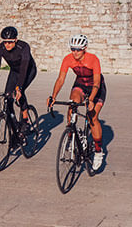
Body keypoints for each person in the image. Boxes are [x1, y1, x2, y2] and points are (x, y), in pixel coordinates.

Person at [47, 34, 107, 171]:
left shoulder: (93, 59)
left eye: (78, 50)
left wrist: (91, 100)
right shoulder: (68, 59)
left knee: (92, 117)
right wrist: (53, 96)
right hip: (80, 84)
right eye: (73, 49)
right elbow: (61, 79)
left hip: (96, 88)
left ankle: (98, 151)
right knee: (71, 104)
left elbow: (97, 82)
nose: (75, 52)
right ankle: (71, 135)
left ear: (84, 48)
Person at [0, 26, 37, 126]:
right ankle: (14, 127)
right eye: (5, 42)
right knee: (7, 96)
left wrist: (19, 87)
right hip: (14, 71)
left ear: (15, 40)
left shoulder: (24, 47)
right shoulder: (0, 48)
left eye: (10, 42)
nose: (7, 44)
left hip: (28, 71)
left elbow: (24, 68)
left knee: (19, 90)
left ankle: (25, 117)